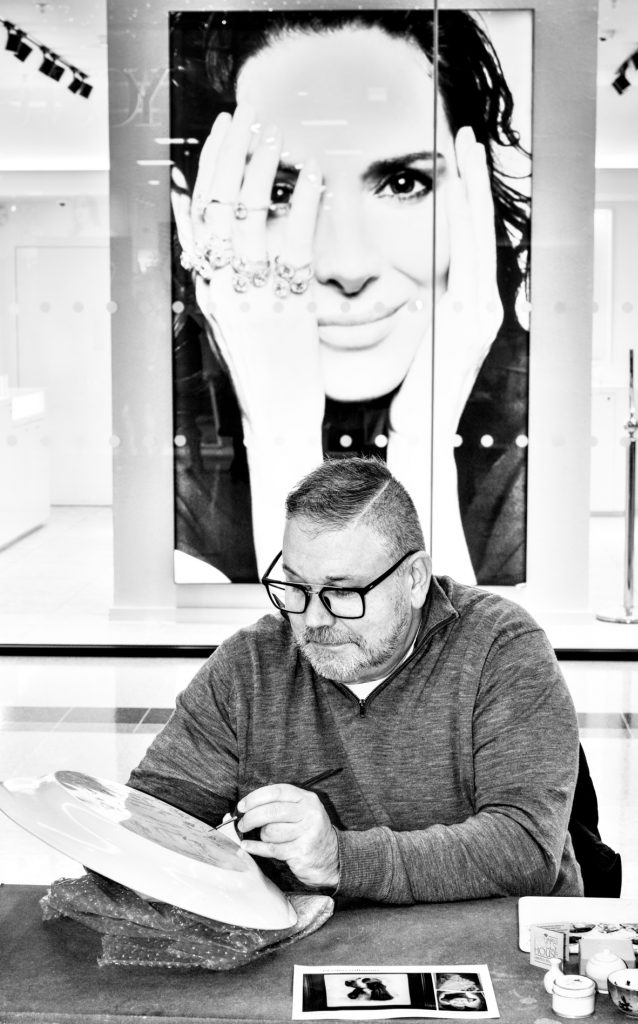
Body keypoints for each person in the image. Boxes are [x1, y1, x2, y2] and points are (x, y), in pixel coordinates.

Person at [169, 9, 530, 587]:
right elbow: (303, 669)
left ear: (472, 196)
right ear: (194, 216)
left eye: (404, 183)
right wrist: (277, 425)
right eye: (279, 192)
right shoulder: (166, 465)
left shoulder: (530, 442)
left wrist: (424, 443)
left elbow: (466, 677)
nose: (347, 265)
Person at [128, 456, 583, 903]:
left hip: (491, 939)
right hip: (310, 943)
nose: (313, 619)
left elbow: (526, 848)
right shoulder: (249, 667)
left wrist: (341, 859)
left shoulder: (500, 647)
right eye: (296, 588)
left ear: (415, 579)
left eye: (342, 591)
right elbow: (156, 813)